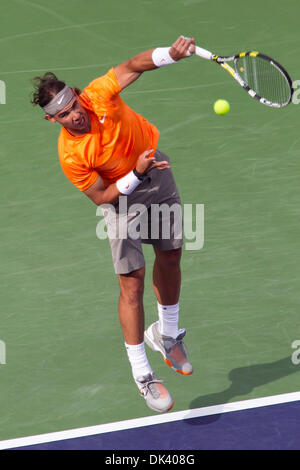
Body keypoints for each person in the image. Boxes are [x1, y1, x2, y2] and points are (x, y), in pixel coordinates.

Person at [31, 35, 195, 413]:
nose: (75, 115)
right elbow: (103, 197)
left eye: (74, 105)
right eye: (65, 114)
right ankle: (143, 375)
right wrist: (135, 175)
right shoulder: (71, 155)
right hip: (122, 199)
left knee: (171, 256)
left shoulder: (99, 94)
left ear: (76, 95)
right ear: (51, 119)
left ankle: (168, 335)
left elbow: (133, 65)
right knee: (131, 282)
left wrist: (168, 55)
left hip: (156, 173)